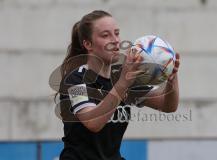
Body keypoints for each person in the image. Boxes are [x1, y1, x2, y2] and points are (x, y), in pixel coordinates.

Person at [56, 10, 180, 160]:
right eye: (105, 35)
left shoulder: (122, 77)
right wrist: (123, 83)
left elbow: (168, 106)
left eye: (116, 33)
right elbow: (93, 123)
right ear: (88, 44)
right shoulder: (75, 80)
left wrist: (171, 79)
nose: (115, 40)